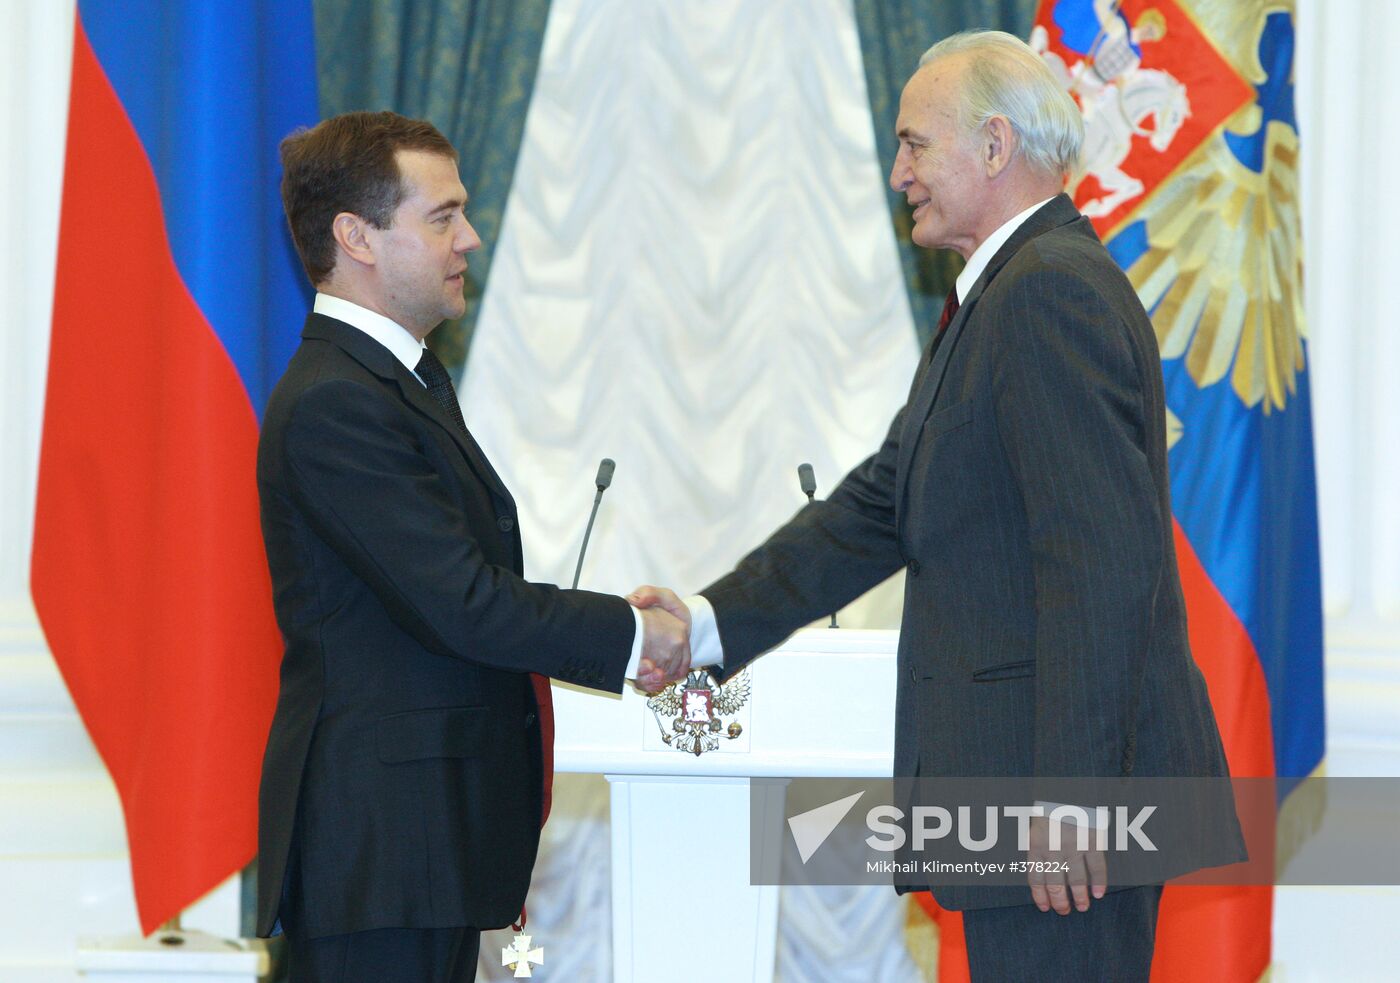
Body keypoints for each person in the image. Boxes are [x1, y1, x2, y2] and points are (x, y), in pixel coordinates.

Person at [633, 30, 1241, 980]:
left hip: (1062, 815)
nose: (897, 172)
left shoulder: (1044, 296)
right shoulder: (1004, 293)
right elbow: (883, 505)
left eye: (915, 143)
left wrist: (1072, 799)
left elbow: (1099, 561)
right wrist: (706, 621)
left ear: (995, 146)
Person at [255, 110, 689, 982]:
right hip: (382, 857)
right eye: (442, 215)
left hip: (421, 851)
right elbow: (462, 599)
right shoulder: (338, 402)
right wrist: (634, 636)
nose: (471, 237)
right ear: (357, 238)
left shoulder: (391, 380)